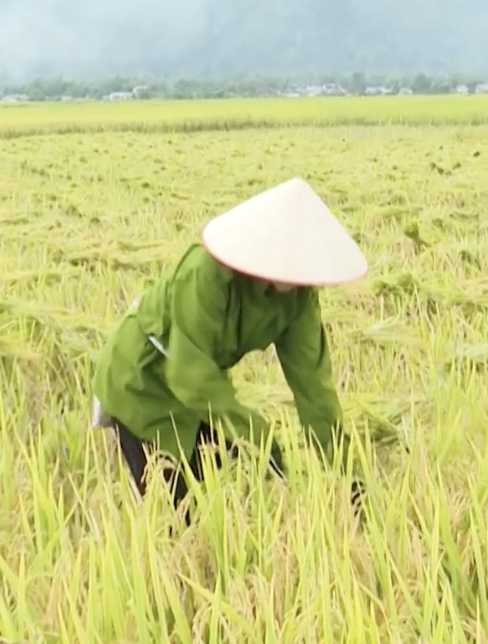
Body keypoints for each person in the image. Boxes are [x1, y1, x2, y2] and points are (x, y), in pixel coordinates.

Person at [90, 177, 369, 521]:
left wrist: (345, 472)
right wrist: (259, 437)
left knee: (231, 492)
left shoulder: (298, 298)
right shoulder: (206, 275)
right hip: (140, 383)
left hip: (202, 392)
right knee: (177, 514)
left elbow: (314, 385)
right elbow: (188, 375)